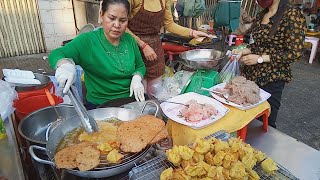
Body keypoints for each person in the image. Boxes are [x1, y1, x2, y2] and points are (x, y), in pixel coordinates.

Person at [49, 0, 146, 110]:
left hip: (130, 102)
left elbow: (140, 66)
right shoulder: (88, 41)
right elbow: (57, 53)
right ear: (101, 15)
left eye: (123, 20)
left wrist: (137, 77)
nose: (117, 25)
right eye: (112, 18)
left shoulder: (129, 40)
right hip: (100, 106)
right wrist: (65, 65)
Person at [231, 0, 306, 128]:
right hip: (251, 78)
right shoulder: (262, 15)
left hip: (272, 79)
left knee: (266, 121)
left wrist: (260, 59)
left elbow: (294, 53)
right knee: (248, 120)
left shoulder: (292, 14)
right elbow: (257, 45)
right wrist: (242, 51)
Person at [126, 0, 210, 94]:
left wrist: (192, 33)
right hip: (133, 48)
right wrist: (143, 45)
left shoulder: (164, 1)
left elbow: (169, 24)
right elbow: (123, 26)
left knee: (155, 92)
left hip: (155, 49)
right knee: (140, 91)